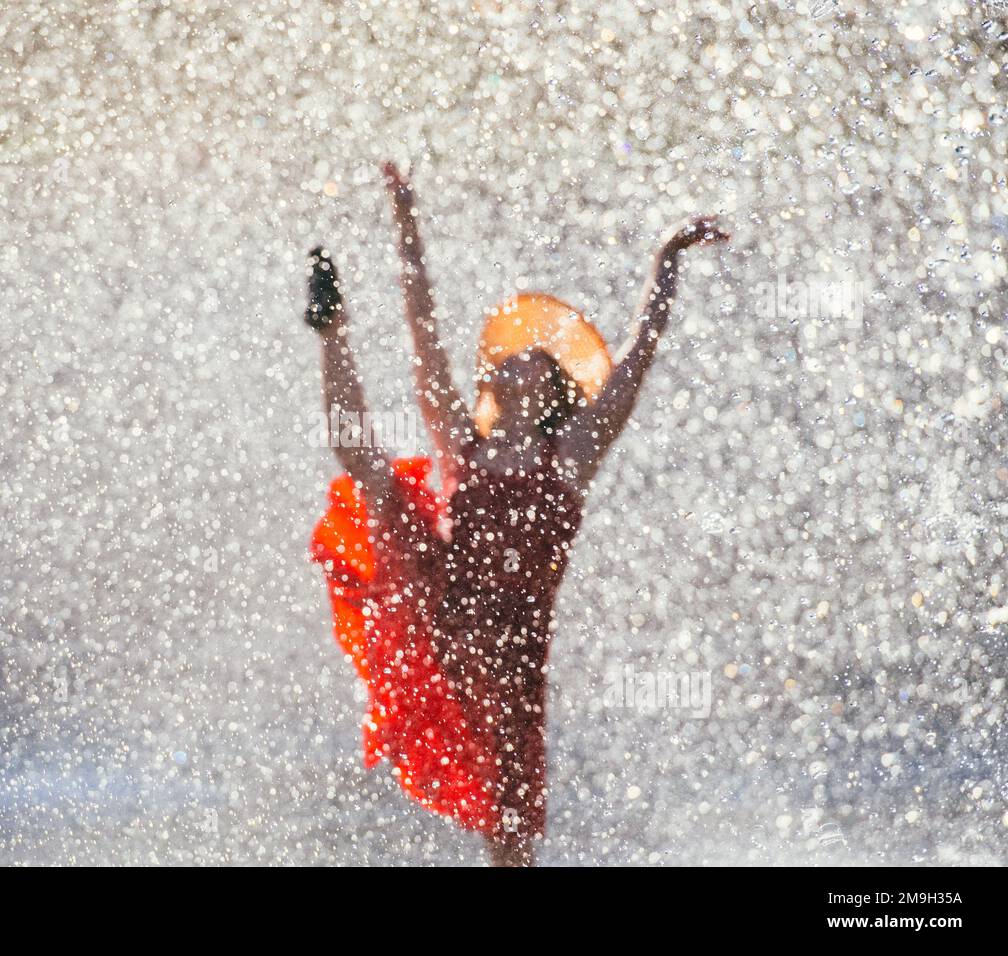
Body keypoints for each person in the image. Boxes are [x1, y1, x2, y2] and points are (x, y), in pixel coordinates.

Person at [305, 162, 728, 866]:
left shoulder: (570, 455)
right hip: (445, 608)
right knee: (370, 469)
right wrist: (405, 221)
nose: (508, 359)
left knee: (513, 828)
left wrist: (665, 265)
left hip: (513, 651)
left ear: (554, 383)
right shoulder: (460, 444)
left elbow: (635, 362)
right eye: (502, 356)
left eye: (529, 356)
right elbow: (424, 329)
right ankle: (332, 330)